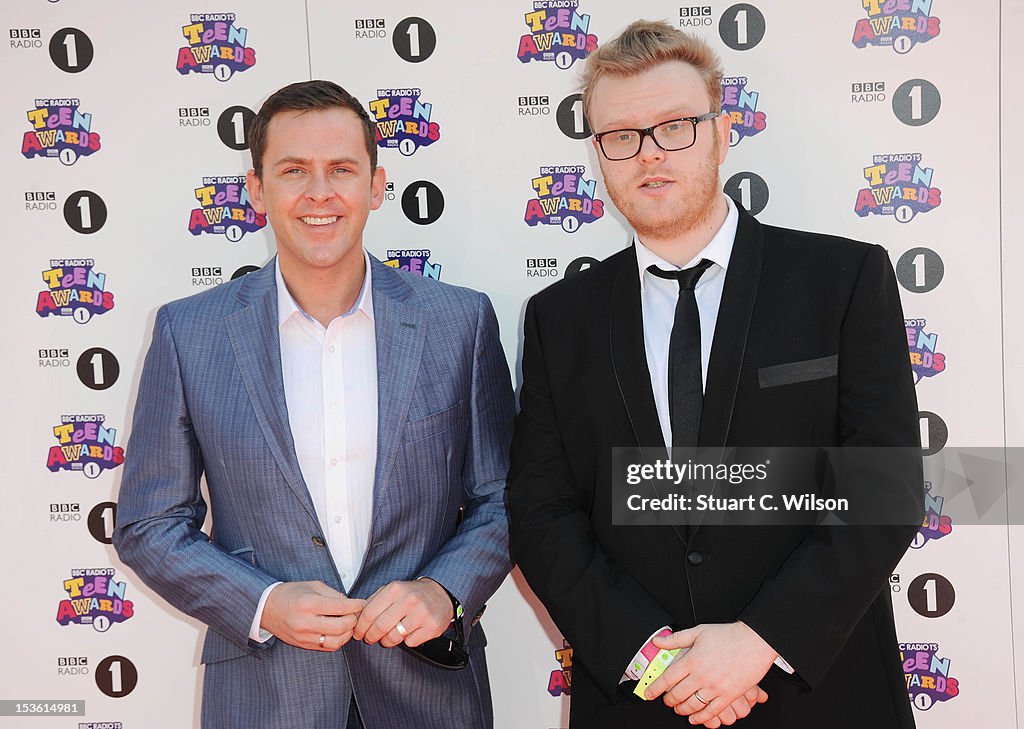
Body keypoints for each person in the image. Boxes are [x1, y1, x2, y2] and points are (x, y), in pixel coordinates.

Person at [508, 20, 923, 729]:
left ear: (722, 133)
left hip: (822, 695)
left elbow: (881, 491)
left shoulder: (843, 279)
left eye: (675, 126)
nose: (648, 155)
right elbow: (543, 515)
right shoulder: (558, 317)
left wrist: (761, 639)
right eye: (621, 136)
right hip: (640, 700)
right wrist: (654, 657)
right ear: (598, 153)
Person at [113, 80, 515, 729]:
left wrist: (443, 589)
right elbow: (147, 524)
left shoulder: (459, 323)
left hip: (429, 693)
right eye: (294, 170)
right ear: (255, 189)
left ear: (377, 186)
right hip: (266, 696)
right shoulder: (189, 334)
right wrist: (264, 601)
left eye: (342, 170)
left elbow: (504, 498)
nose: (319, 193)